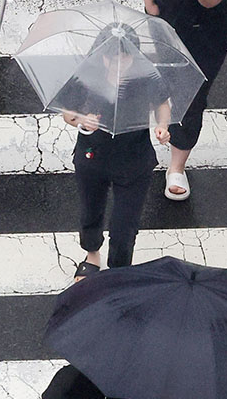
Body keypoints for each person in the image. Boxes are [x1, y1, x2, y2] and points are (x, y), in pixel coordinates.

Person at [55, 25, 171, 281]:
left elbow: (162, 104)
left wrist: (162, 126)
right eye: (111, 58)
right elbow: (68, 113)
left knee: (125, 223)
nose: (118, 63)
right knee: (91, 209)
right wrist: (82, 121)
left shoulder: (146, 76)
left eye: (124, 58)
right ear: (102, 55)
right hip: (93, 156)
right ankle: (92, 255)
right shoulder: (86, 75)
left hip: (134, 159)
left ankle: (119, 270)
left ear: (134, 55)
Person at [141, 0, 227, 201]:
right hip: (166, 24)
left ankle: (176, 166)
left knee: (192, 96)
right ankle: (164, 124)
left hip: (207, 33)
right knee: (168, 85)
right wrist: (149, 2)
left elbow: (212, 1)